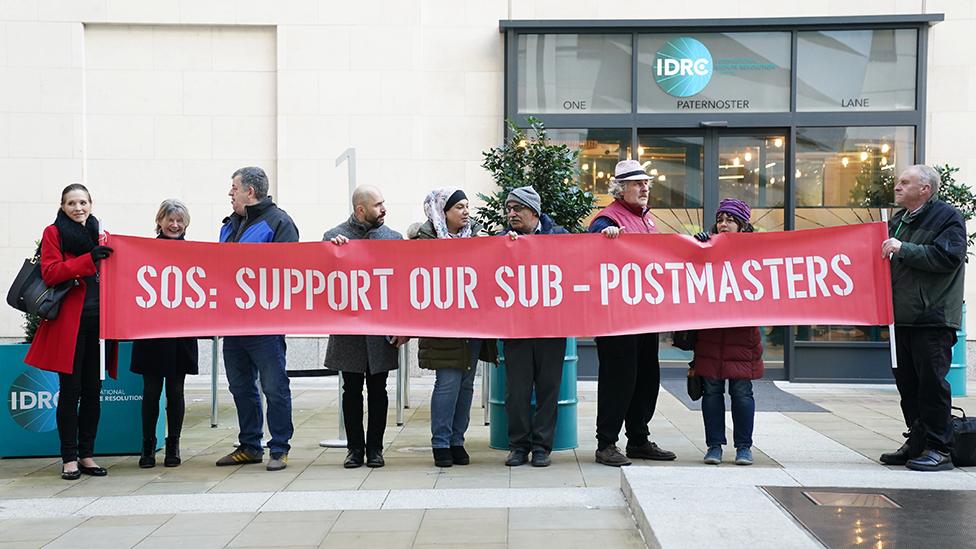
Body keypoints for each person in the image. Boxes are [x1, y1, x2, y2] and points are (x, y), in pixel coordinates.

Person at [25, 183, 117, 480]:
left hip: (97, 322)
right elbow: (51, 272)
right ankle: (69, 458)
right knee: (70, 390)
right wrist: (89, 260)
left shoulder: (99, 232)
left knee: (93, 391)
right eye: (72, 203)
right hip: (69, 322)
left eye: (83, 202)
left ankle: (87, 455)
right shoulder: (54, 233)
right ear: (62, 206)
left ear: (91, 204)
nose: (78, 208)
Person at [589, 159, 676, 466]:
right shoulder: (606, 219)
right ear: (620, 188)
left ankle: (638, 439)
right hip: (617, 319)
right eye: (637, 183)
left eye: (646, 184)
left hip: (645, 316)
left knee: (646, 379)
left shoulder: (647, 220)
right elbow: (591, 249)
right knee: (618, 379)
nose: (644, 188)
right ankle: (606, 443)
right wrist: (607, 235)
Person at [880, 164, 966, 472]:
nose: (897, 186)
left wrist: (904, 248)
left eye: (905, 182)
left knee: (931, 384)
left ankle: (939, 448)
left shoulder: (947, 217)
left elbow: (948, 257)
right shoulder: (898, 220)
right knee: (908, 384)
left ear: (925, 189)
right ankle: (917, 441)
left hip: (932, 317)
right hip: (901, 317)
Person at [215, 167, 298, 472]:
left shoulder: (280, 223)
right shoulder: (229, 225)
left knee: (274, 386)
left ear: (249, 192)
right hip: (233, 323)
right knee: (241, 386)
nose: (230, 193)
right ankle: (250, 445)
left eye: (233, 188)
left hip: (265, 325)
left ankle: (279, 447)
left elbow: (290, 271)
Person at [323, 185, 408, 469]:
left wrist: (404, 326)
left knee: (379, 389)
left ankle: (375, 449)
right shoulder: (334, 237)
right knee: (350, 390)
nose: (384, 209)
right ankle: (354, 449)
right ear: (361, 209)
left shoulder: (394, 239)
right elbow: (323, 278)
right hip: (349, 331)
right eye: (378, 205)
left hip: (380, 330)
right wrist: (331, 254)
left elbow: (401, 288)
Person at [412, 188, 496, 467]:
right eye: (458, 206)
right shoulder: (424, 239)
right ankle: (440, 443)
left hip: (472, 324)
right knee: (447, 383)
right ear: (443, 211)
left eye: (467, 206)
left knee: (467, 384)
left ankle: (457, 440)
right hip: (443, 325)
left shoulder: (477, 236)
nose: (465, 211)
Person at [499, 186, 569, 468]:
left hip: (552, 328)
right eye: (509, 208)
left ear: (534, 211)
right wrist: (505, 246)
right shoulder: (502, 240)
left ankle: (542, 447)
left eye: (518, 208)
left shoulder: (560, 237)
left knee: (548, 388)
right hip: (517, 329)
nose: (512, 213)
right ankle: (518, 446)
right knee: (516, 390)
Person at [692, 199, 764, 466]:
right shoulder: (705, 245)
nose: (723, 224)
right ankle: (714, 446)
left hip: (741, 335)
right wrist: (697, 245)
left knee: (741, 391)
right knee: (711, 391)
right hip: (711, 333)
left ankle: (744, 447)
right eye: (720, 219)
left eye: (730, 220)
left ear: (742, 225)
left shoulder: (757, 252)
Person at [131, 199, 198, 468]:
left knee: (176, 390)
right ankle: (148, 446)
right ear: (159, 221)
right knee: (150, 391)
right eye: (169, 219)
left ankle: (174, 445)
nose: (174, 225)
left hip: (181, 331)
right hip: (152, 330)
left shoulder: (195, 252)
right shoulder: (144, 250)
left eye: (179, 220)